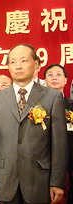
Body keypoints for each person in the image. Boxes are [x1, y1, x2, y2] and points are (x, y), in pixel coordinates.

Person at [0, 44, 67, 204]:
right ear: (8, 66)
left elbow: (59, 144)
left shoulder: (53, 97)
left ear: (36, 64)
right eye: (13, 62)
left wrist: (56, 181)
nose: (18, 66)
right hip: (4, 180)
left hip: (39, 181)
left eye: (24, 61)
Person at [43, 63, 73, 203]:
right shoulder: (37, 108)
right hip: (45, 165)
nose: (54, 77)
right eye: (50, 75)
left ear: (66, 80)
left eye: (58, 74)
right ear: (44, 80)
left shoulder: (71, 106)